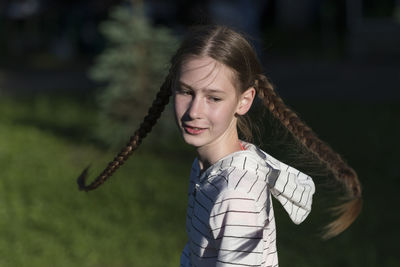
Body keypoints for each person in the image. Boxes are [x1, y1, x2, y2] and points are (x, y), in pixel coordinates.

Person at [77, 25, 362, 266]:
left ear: (244, 101)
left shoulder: (235, 196)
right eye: (186, 91)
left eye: (213, 98)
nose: (194, 111)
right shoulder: (209, 167)